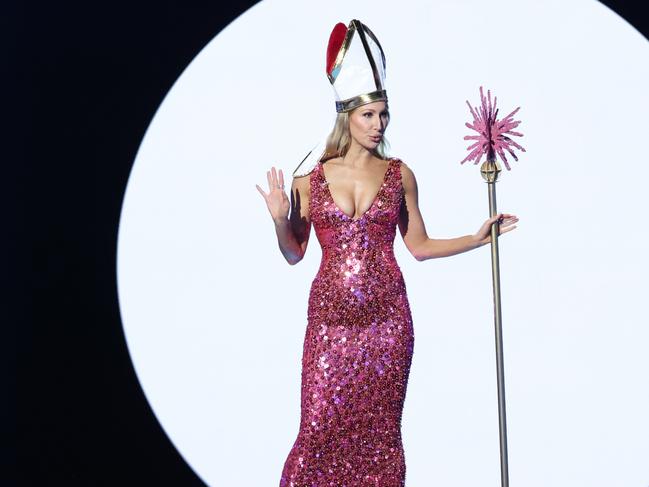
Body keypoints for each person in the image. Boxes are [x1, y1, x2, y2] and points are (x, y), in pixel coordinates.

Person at [255, 19, 518, 486]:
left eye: (383, 114)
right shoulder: (308, 180)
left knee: (380, 440)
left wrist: (478, 239)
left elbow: (418, 246)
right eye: (368, 115)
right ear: (346, 117)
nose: (378, 125)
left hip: (388, 326)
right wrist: (280, 218)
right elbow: (294, 253)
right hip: (330, 327)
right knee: (316, 435)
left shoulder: (401, 175)